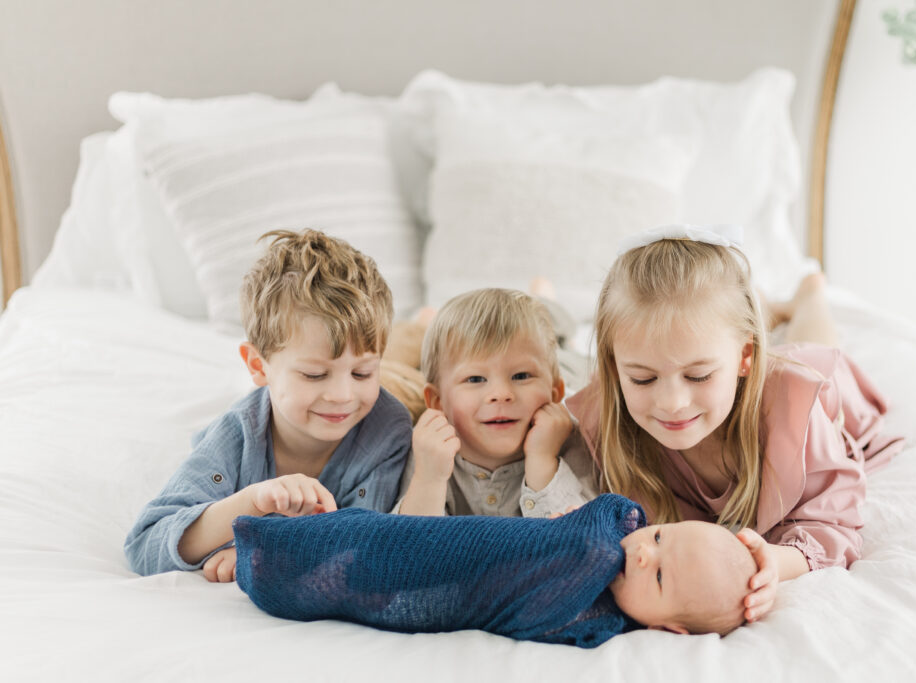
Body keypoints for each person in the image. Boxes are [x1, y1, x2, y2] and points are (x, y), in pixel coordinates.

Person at [565, 224, 905, 623]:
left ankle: (809, 296)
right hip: (741, 371)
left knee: (815, 346)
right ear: (613, 367)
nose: (672, 403)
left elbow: (834, 524)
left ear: (745, 356)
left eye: (698, 376)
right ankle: (761, 312)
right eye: (643, 378)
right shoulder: (608, 414)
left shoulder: (794, 406)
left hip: (805, 390)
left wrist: (773, 562)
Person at [124, 229, 413, 581]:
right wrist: (253, 503)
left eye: (363, 372)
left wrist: (258, 548)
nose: (342, 395)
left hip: (403, 383)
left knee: (420, 368)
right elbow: (144, 545)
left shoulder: (387, 427)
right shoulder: (236, 435)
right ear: (259, 367)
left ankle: (418, 327)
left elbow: (363, 543)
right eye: (314, 374)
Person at [232, 493, 757, 647]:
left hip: (441, 593)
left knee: (355, 578)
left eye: (660, 577)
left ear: (668, 629)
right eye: (659, 537)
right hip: (440, 546)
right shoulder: (608, 540)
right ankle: (263, 543)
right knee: (361, 536)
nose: (642, 553)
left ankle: (264, 558)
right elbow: (602, 514)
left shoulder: (601, 620)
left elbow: (539, 620)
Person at [394, 288, 599, 518]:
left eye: (521, 376)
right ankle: (424, 321)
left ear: (554, 393)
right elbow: (409, 545)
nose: (501, 394)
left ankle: (547, 300)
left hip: (573, 369)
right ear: (438, 402)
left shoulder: (573, 440)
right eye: (475, 379)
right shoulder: (428, 449)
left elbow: (585, 541)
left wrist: (543, 462)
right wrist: (429, 478)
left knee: (565, 350)